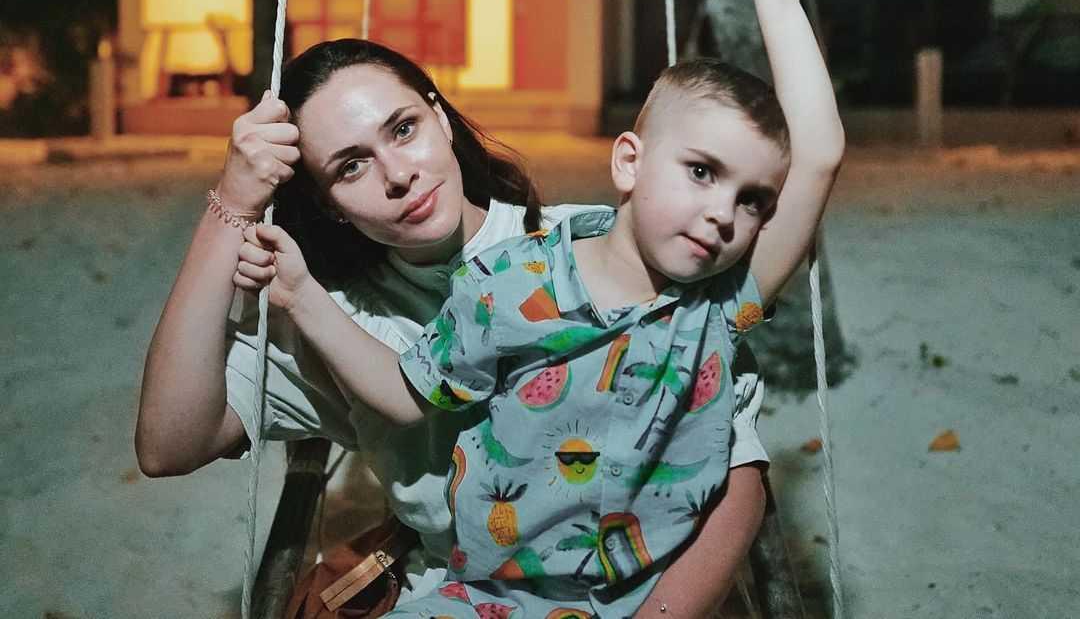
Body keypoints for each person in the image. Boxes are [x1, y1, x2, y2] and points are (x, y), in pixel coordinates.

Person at [231, 0, 844, 617]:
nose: (722, 213)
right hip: (492, 593)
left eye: (752, 200)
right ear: (628, 161)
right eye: (701, 172)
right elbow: (405, 392)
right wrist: (301, 296)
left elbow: (818, 154)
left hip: (640, 595)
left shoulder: (719, 301)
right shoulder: (510, 279)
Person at [136, 40, 779, 608]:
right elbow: (168, 445)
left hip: (644, 596)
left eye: (404, 129)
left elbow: (737, 469)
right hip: (465, 595)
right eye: (351, 166)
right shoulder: (336, 316)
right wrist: (232, 202)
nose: (398, 175)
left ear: (440, 117)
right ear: (328, 204)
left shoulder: (597, 252)